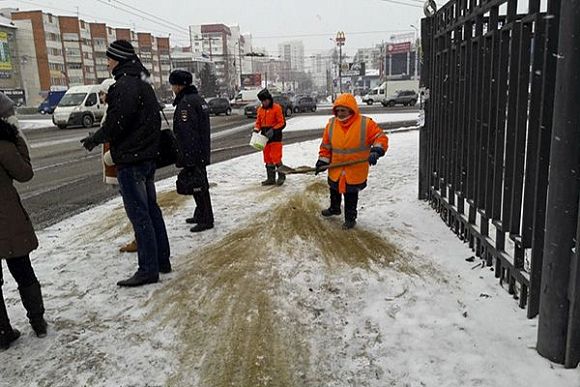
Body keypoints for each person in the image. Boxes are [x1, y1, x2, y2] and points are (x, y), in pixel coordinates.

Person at [80, 40, 171, 287]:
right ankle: (162, 261)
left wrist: (94, 139)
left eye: (109, 58)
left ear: (118, 59)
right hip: (146, 157)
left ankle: (148, 270)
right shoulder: (142, 83)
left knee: (140, 215)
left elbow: (116, 124)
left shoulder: (124, 86)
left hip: (132, 161)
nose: (107, 62)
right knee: (151, 211)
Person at [0, 93, 47, 350]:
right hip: (6, 220)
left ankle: (2, 331)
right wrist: (17, 139)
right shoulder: (4, 143)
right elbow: (25, 173)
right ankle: (38, 322)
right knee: (23, 271)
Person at [316, 93, 389, 229]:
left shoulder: (365, 123)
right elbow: (325, 146)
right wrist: (322, 161)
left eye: (343, 110)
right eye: (338, 110)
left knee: (350, 195)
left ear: (351, 109)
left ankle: (350, 218)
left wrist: (376, 151)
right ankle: (335, 208)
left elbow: (381, 137)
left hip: (355, 169)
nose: (340, 113)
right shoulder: (331, 124)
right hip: (336, 167)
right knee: (334, 189)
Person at [169, 70, 214, 233]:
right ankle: (201, 213)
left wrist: (187, 157)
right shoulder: (197, 99)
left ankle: (206, 218)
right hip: (200, 151)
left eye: (173, 84)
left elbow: (187, 132)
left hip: (193, 152)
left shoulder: (186, 103)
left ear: (180, 86)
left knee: (199, 185)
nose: (172, 88)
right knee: (199, 183)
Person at [99, 79, 138, 253]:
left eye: (102, 93)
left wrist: (110, 157)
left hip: (122, 163)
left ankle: (141, 240)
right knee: (134, 205)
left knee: (135, 206)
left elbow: (121, 139)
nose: (101, 97)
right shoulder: (114, 109)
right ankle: (141, 238)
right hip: (120, 163)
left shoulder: (118, 111)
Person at [253, 89, 286, 186]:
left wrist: (274, 130)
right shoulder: (260, 110)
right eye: (262, 101)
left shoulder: (277, 108)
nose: (264, 103)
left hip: (275, 137)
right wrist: (256, 129)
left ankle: (281, 176)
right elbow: (258, 122)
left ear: (269, 99)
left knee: (276, 157)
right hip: (264, 137)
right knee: (267, 158)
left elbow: (282, 123)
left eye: (265, 101)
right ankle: (271, 178)